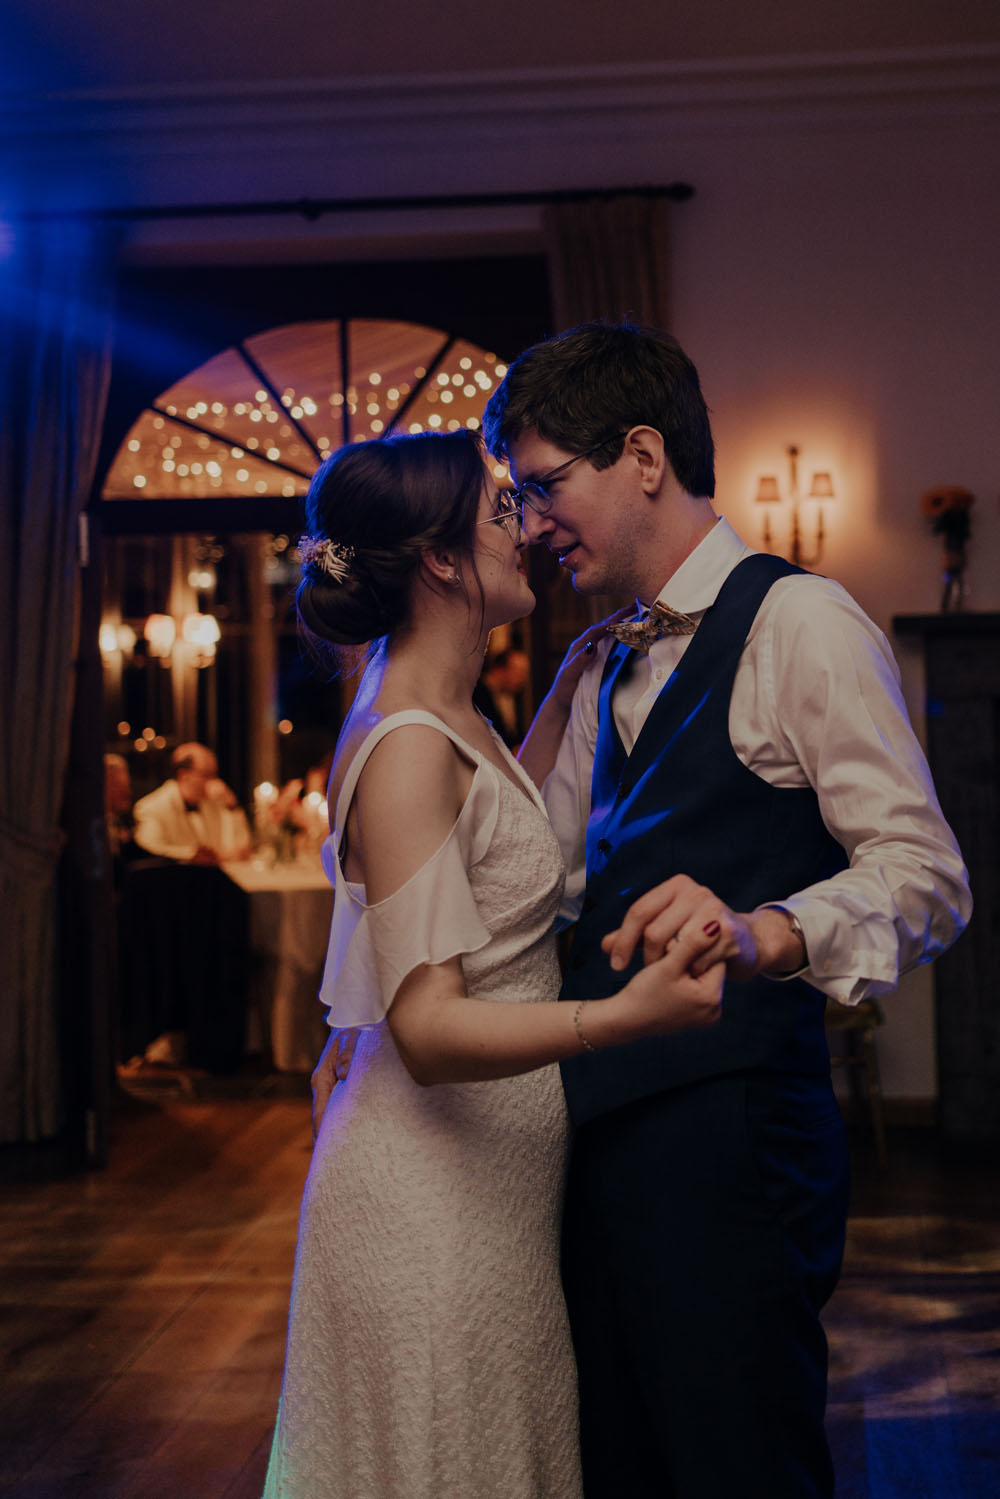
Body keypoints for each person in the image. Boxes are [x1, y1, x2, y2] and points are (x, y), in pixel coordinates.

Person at [480, 320, 973, 1499]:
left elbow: (924, 870)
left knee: (738, 1459)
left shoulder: (803, 620)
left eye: (545, 486)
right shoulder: (595, 660)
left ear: (642, 455)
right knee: (622, 1459)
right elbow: (543, 885)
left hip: (734, 1133)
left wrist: (763, 931)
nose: (531, 520)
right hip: (591, 1127)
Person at [261, 429, 725, 1499]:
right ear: (437, 558)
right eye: (502, 509)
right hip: (428, 1214)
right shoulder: (410, 736)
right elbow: (424, 1027)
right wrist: (625, 1015)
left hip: (490, 1201)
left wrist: (566, 684)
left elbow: (480, 864)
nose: (529, 526)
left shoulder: (444, 715)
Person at [132, 742, 252, 864]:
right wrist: (191, 854)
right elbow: (150, 849)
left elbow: (242, 848)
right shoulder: (152, 807)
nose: (213, 781)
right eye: (206, 775)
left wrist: (232, 805)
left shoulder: (213, 802)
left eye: (214, 775)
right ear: (183, 775)